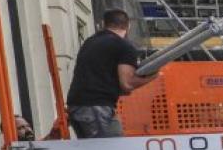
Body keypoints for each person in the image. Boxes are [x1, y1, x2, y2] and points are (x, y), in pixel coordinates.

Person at [65, 9, 156, 138]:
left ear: (104, 24)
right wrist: (153, 76)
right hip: (96, 107)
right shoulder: (123, 46)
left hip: (78, 107)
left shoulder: (90, 42)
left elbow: (101, 77)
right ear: (127, 26)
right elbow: (127, 84)